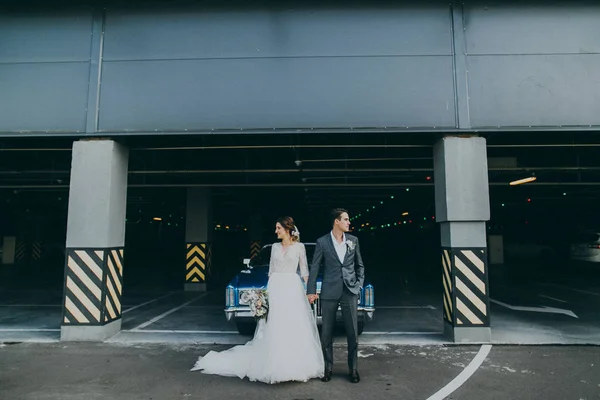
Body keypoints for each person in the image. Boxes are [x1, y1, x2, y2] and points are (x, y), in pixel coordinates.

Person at [191, 216, 324, 384]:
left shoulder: (299, 247)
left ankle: (294, 365)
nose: (275, 231)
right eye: (276, 228)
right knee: (273, 325)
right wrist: (264, 296)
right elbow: (271, 272)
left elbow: (305, 272)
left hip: (292, 288)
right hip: (275, 287)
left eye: (278, 228)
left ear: (288, 229)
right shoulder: (274, 247)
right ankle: (274, 364)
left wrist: (310, 291)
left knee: (292, 324)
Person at [307, 208, 364, 383]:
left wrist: (358, 285)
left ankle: (353, 369)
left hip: (349, 292)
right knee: (326, 333)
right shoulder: (322, 242)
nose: (349, 222)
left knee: (352, 332)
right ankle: (328, 368)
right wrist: (310, 290)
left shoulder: (353, 240)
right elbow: (315, 267)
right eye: (346, 219)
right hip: (329, 291)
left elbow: (359, 265)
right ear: (336, 222)